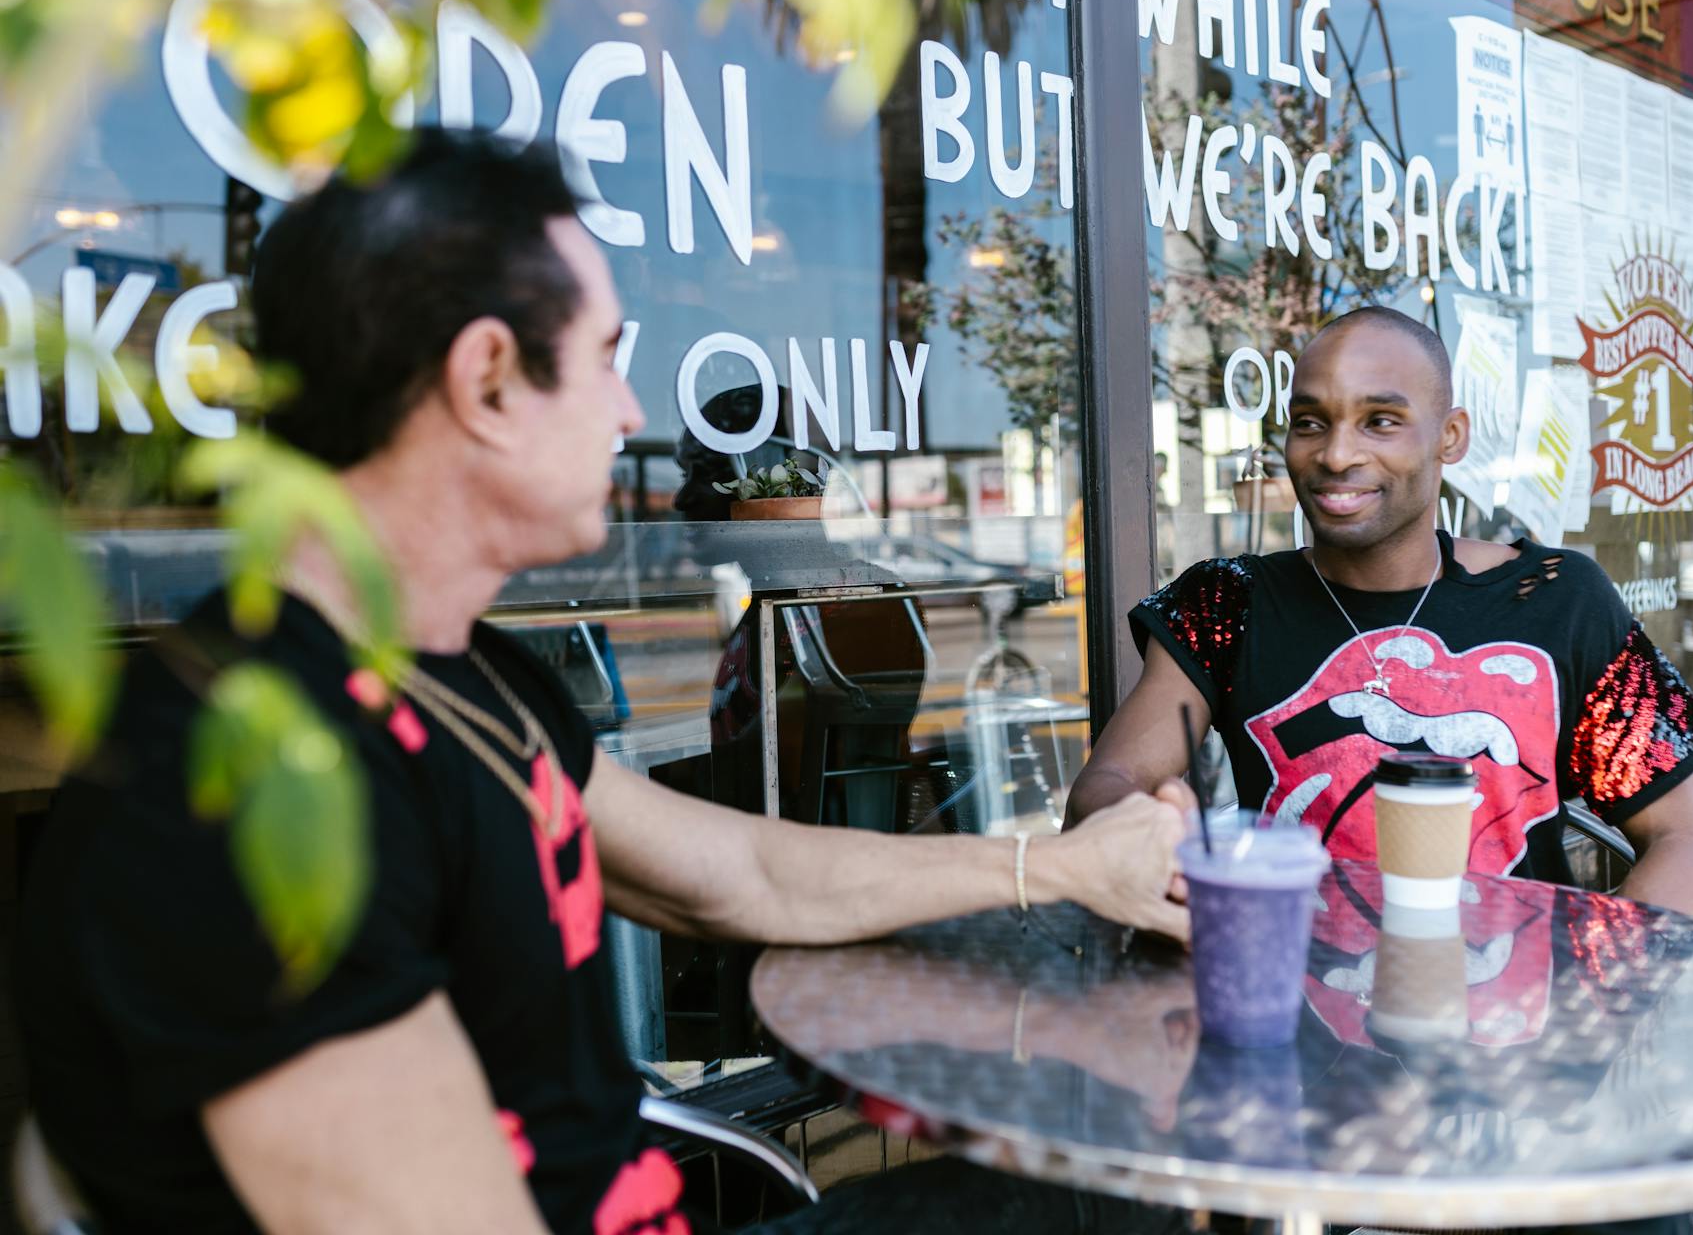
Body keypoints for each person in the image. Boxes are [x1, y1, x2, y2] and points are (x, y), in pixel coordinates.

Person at [17, 132, 1192, 1235]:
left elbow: (735, 872)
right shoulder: (252, 793)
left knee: (1110, 1186)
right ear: (485, 380)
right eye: (604, 362)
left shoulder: (467, 671)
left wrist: (1060, 863)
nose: (635, 414)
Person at [1066, 305, 1693, 1235]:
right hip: (1304, 1063)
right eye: (1310, 420)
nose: (1337, 453)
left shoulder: (1554, 599)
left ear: (1449, 435)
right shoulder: (1229, 605)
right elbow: (1107, 791)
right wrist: (1159, 840)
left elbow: (1689, 846)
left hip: (1524, 1056)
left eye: (1381, 419)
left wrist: (1581, 1016)